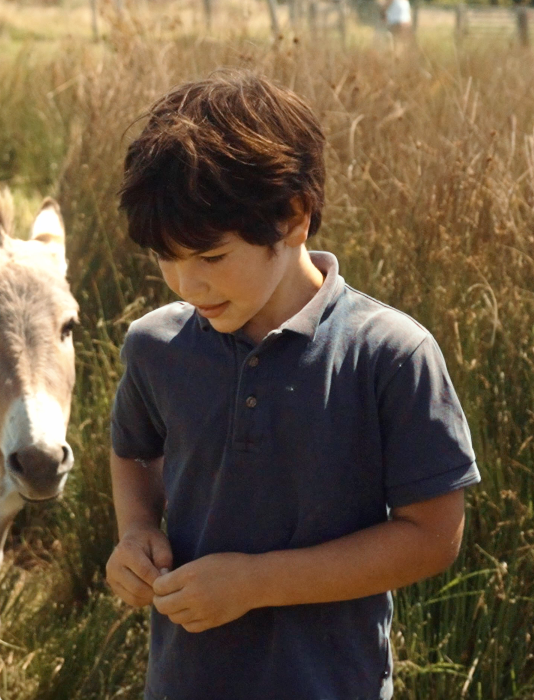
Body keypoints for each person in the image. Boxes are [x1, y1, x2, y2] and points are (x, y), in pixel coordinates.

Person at [105, 71, 480, 700]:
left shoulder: (389, 353)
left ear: (294, 218)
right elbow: (135, 448)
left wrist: (256, 583)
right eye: (166, 258)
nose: (185, 286)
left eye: (211, 258)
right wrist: (137, 530)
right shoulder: (155, 346)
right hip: (184, 681)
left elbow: (433, 536)